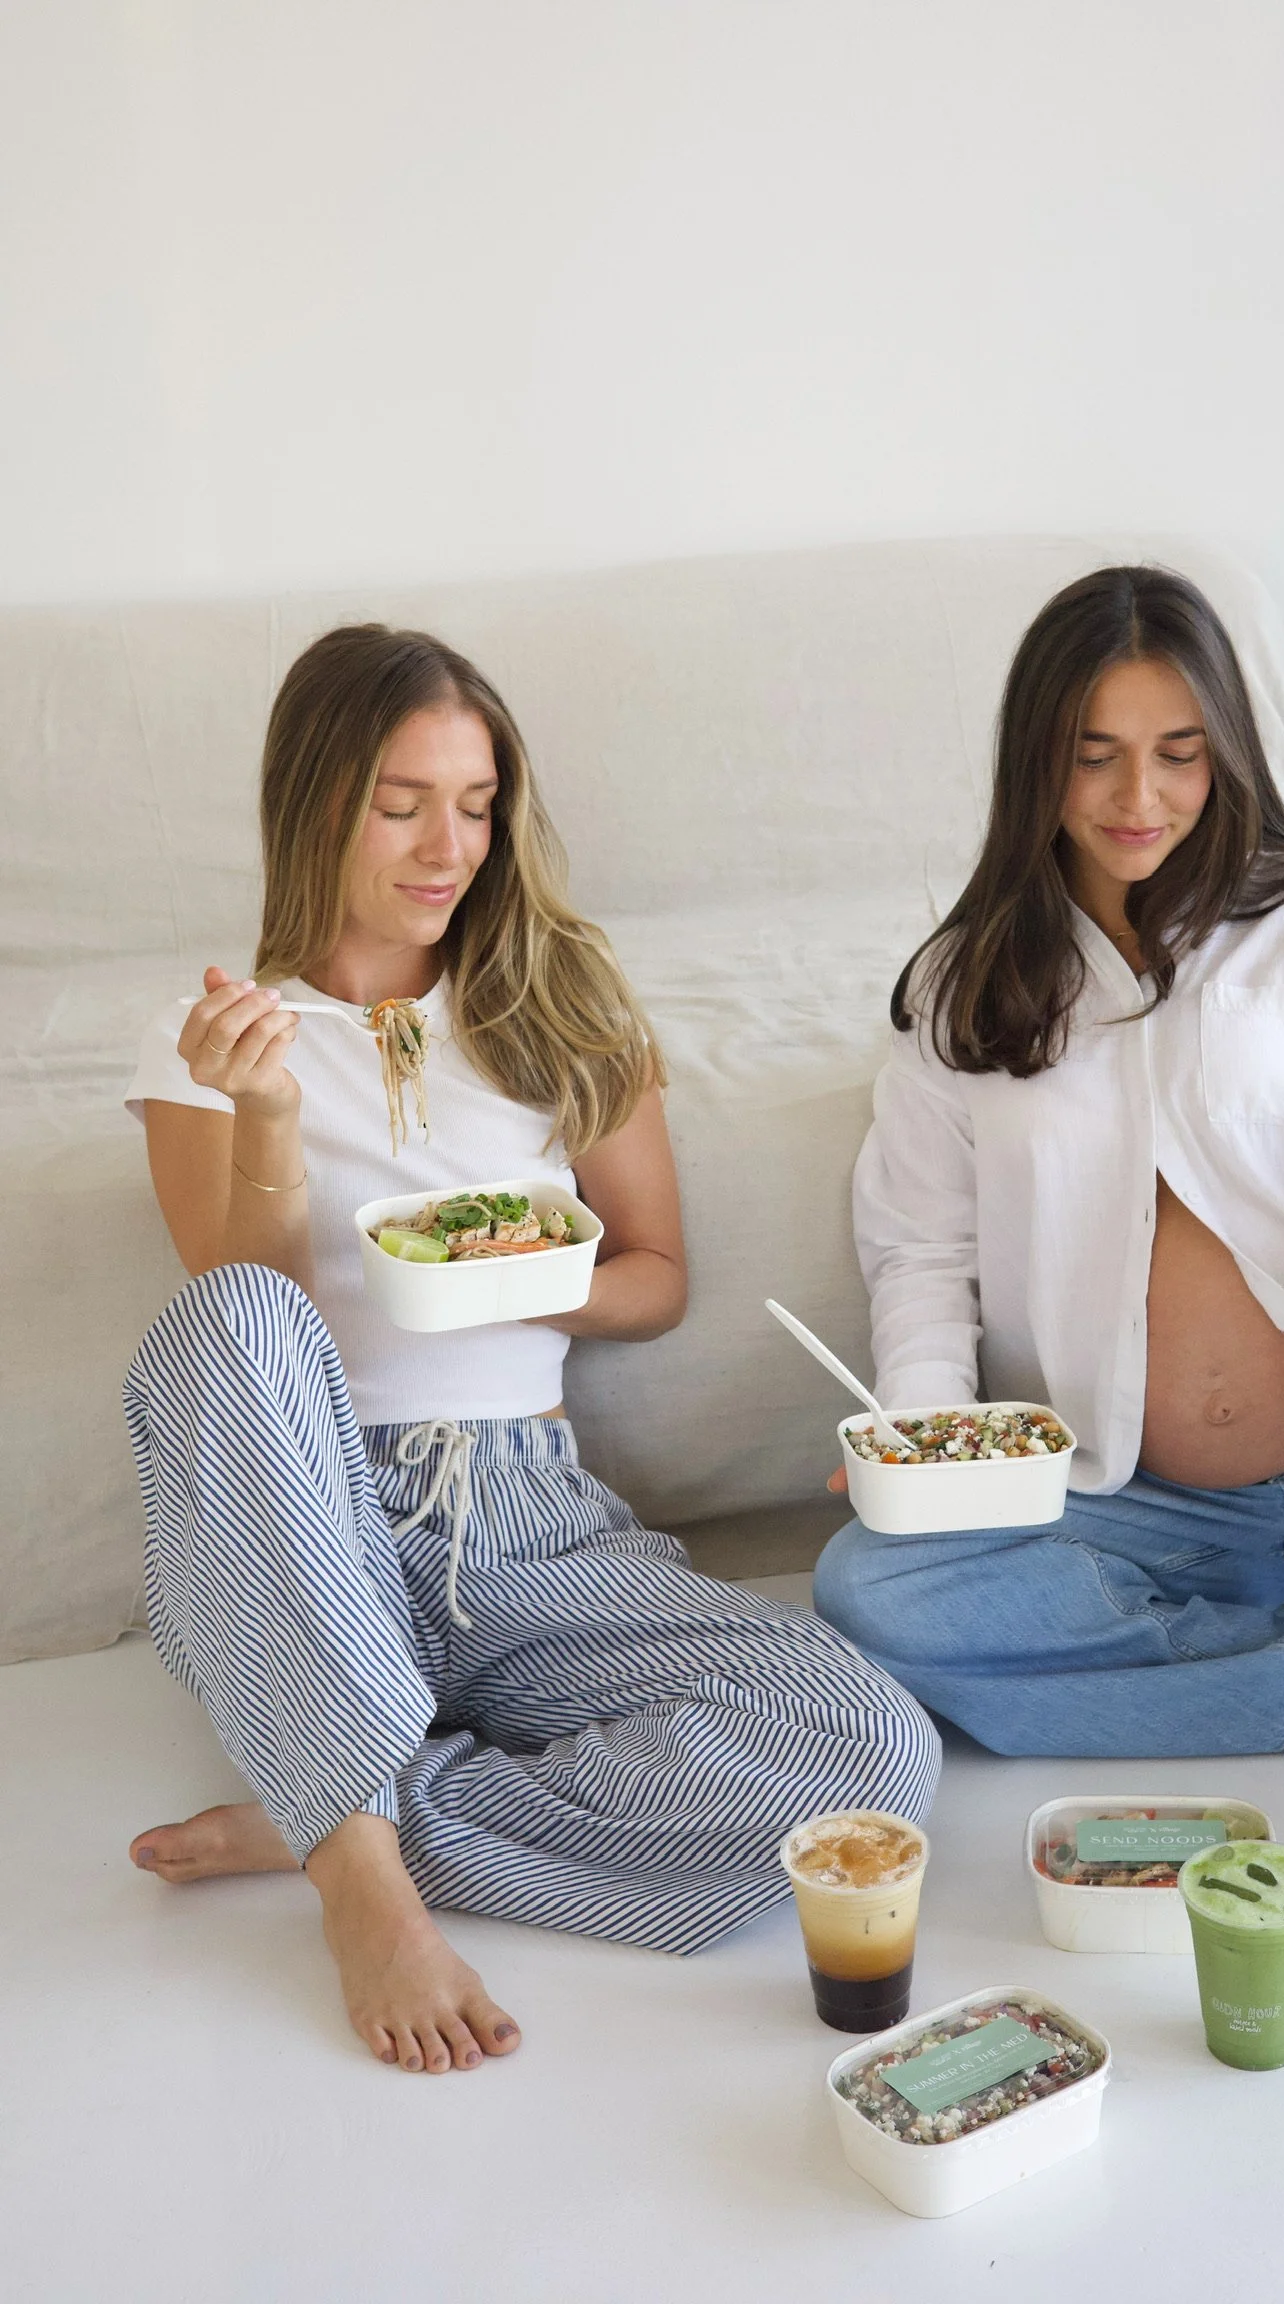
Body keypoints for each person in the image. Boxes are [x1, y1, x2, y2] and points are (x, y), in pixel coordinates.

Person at [123, 624, 938, 2076]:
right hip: (299, 1531)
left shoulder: (561, 1005)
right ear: (311, 802)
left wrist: (524, 1278)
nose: (450, 847)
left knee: (872, 1753)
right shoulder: (214, 1036)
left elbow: (657, 1280)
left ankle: (346, 1807)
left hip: (523, 1523)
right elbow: (240, 1305)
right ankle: (363, 1889)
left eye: (478, 803)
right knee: (231, 1321)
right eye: (402, 802)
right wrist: (262, 1117)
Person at [815, 565, 1284, 1758]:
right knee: (871, 1586)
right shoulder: (961, 993)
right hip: (1137, 1514)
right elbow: (921, 1253)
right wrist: (926, 1438)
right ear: (1036, 761)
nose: (1137, 795)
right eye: (1093, 754)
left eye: (1178, 752)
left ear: (1228, 756)